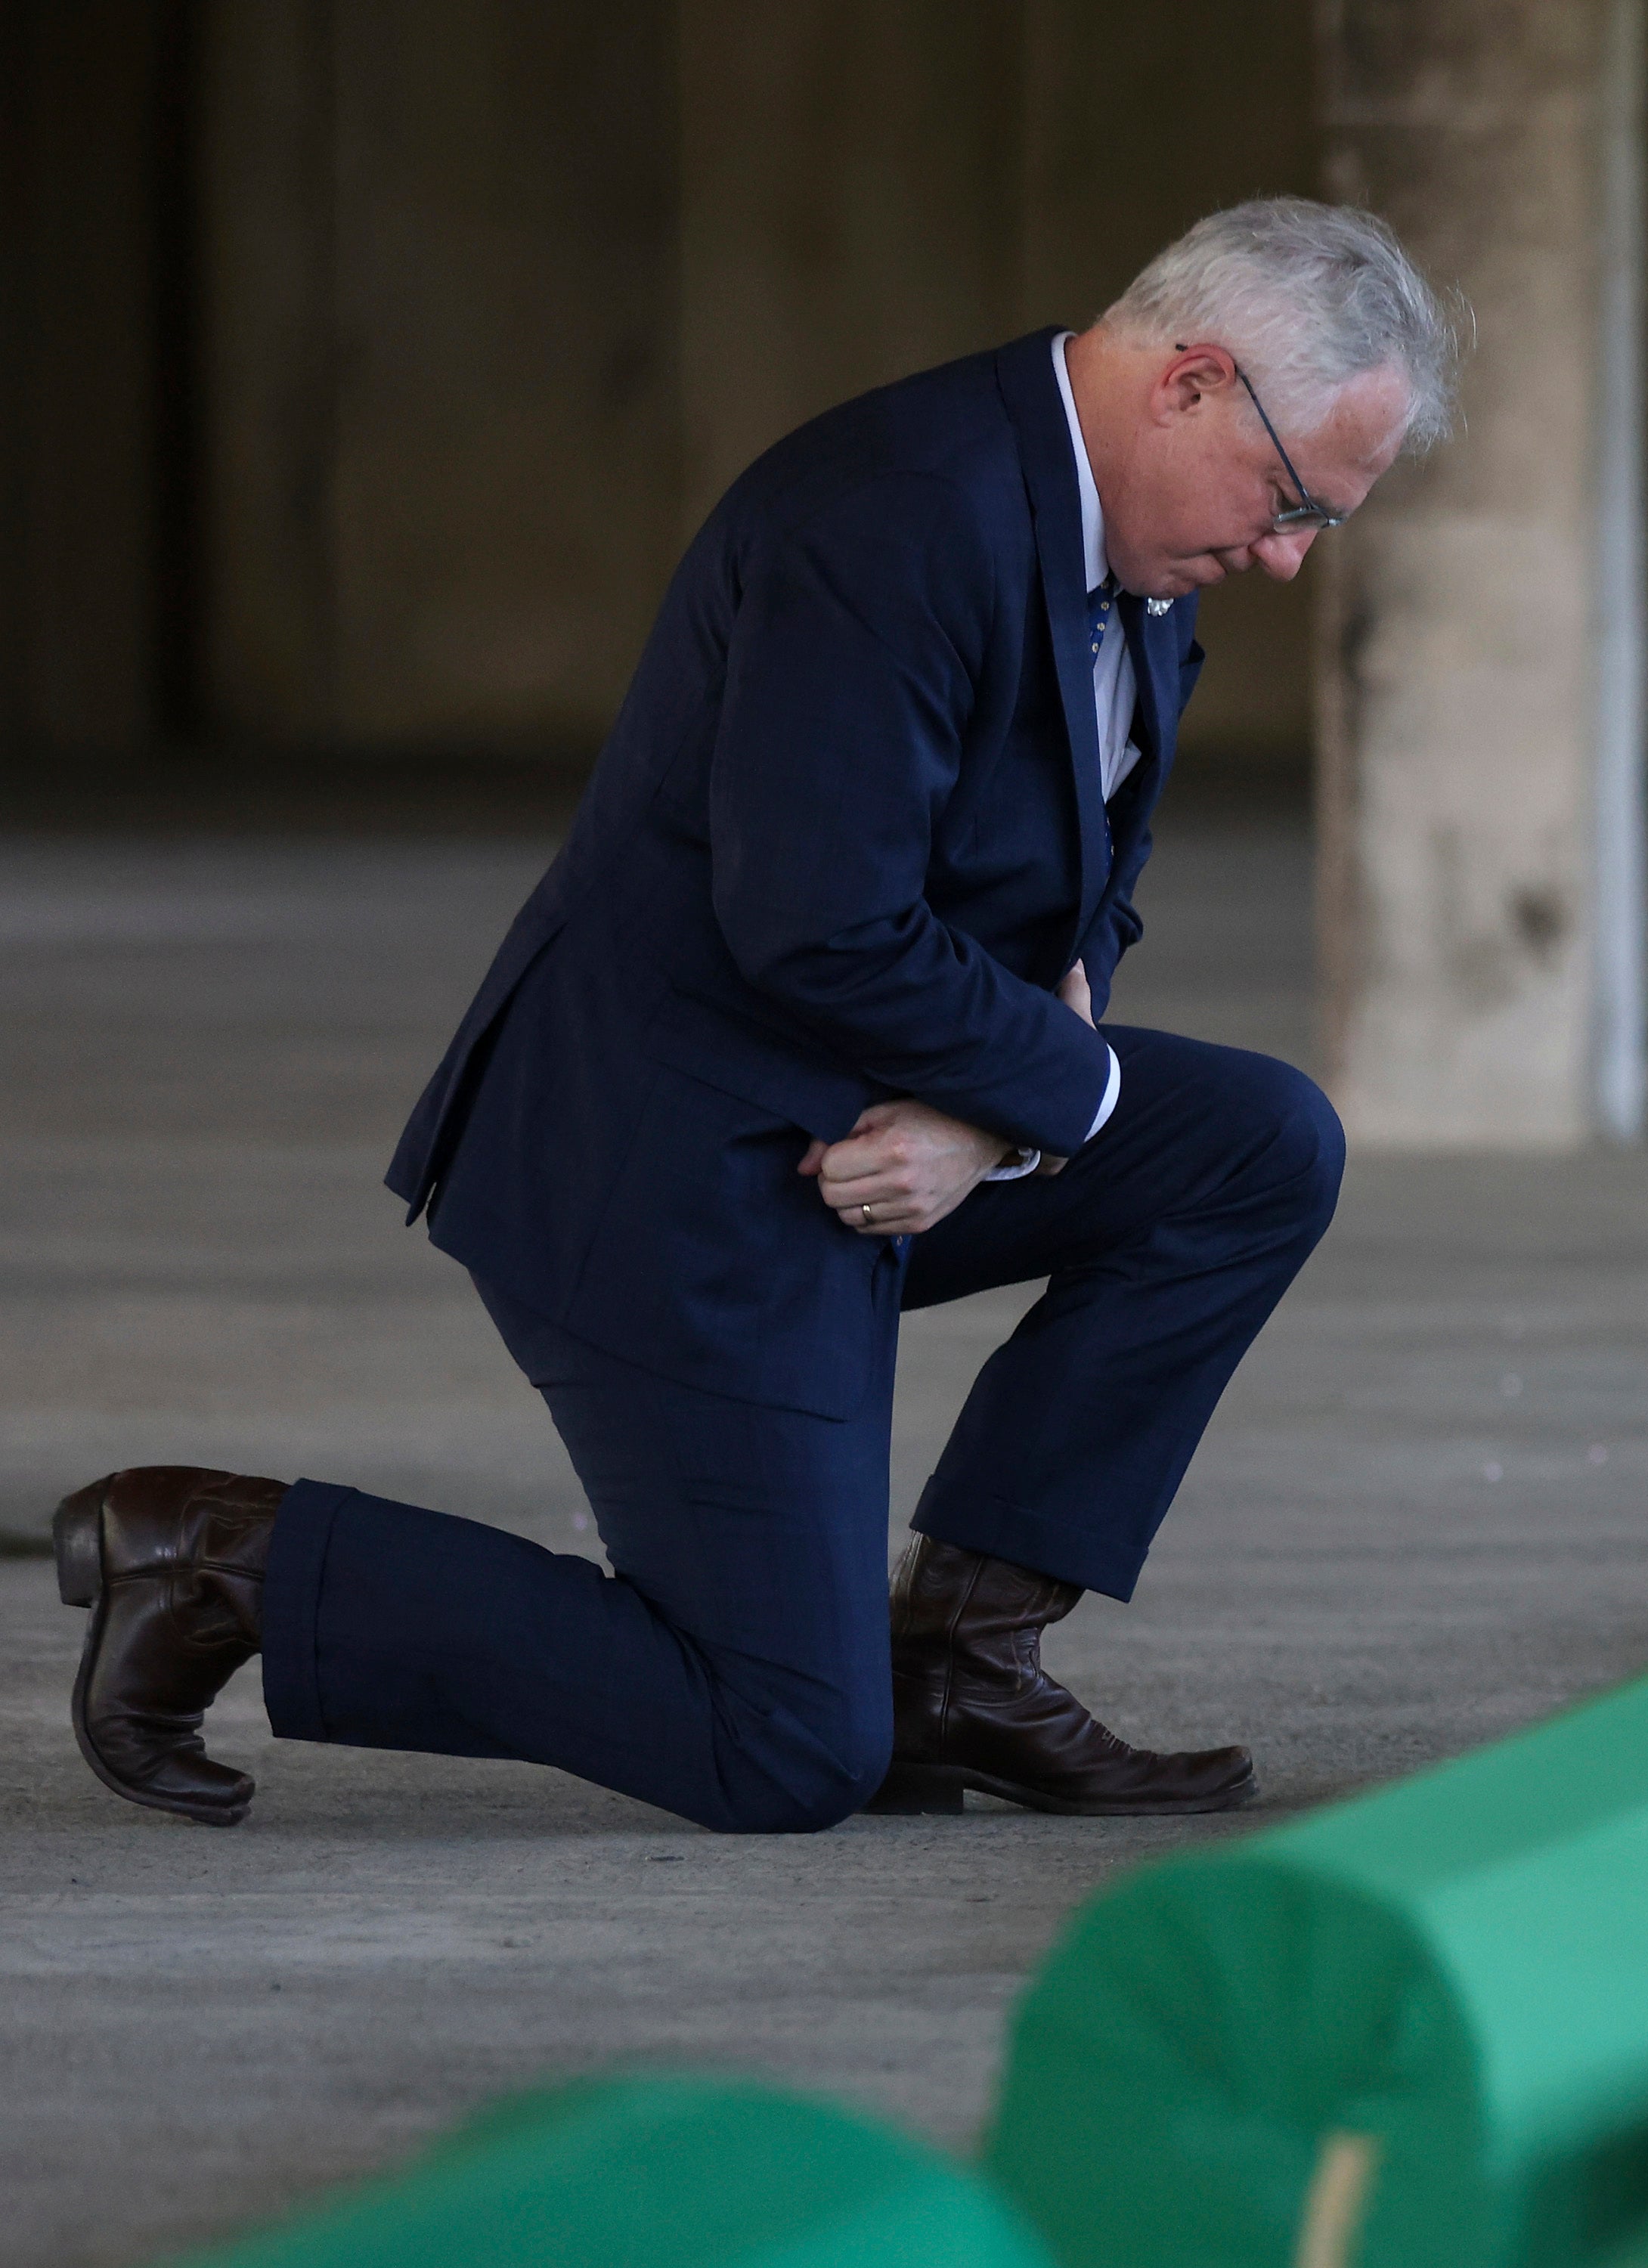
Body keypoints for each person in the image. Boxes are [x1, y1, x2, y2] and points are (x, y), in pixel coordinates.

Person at [53, 199, 1458, 1833]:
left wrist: (992, 1116)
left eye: (1323, 523)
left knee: (1256, 1146)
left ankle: (962, 1670)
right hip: (669, 1171)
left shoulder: (1143, 538)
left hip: (857, 1135)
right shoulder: (892, 518)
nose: (1287, 558)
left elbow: (1092, 890)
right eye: (1292, 502)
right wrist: (1046, 1089)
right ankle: (223, 1556)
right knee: (783, 1746)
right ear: (1193, 383)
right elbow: (819, 923)